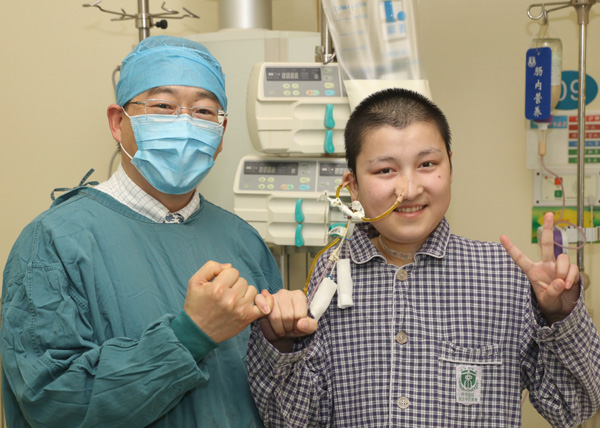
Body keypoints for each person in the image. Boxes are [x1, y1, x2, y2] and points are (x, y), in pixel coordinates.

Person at [247, 88, 600, 427]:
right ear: (353, 186)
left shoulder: (505, 278)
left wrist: (560, 314)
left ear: (450, 166)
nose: (410, 188)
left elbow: (574, 406)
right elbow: (290, 421)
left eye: (427, 164)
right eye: (386, 170)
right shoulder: (328, 283)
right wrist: (280, 343)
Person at [0, 35, 283, 427]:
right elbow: (53, 406)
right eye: (163, 106)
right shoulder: (55, 243)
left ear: (220, 134)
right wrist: (189, 336)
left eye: (203, 111)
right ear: (118, 122)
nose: (184, 123)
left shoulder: (243, 240)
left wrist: (284, 344)